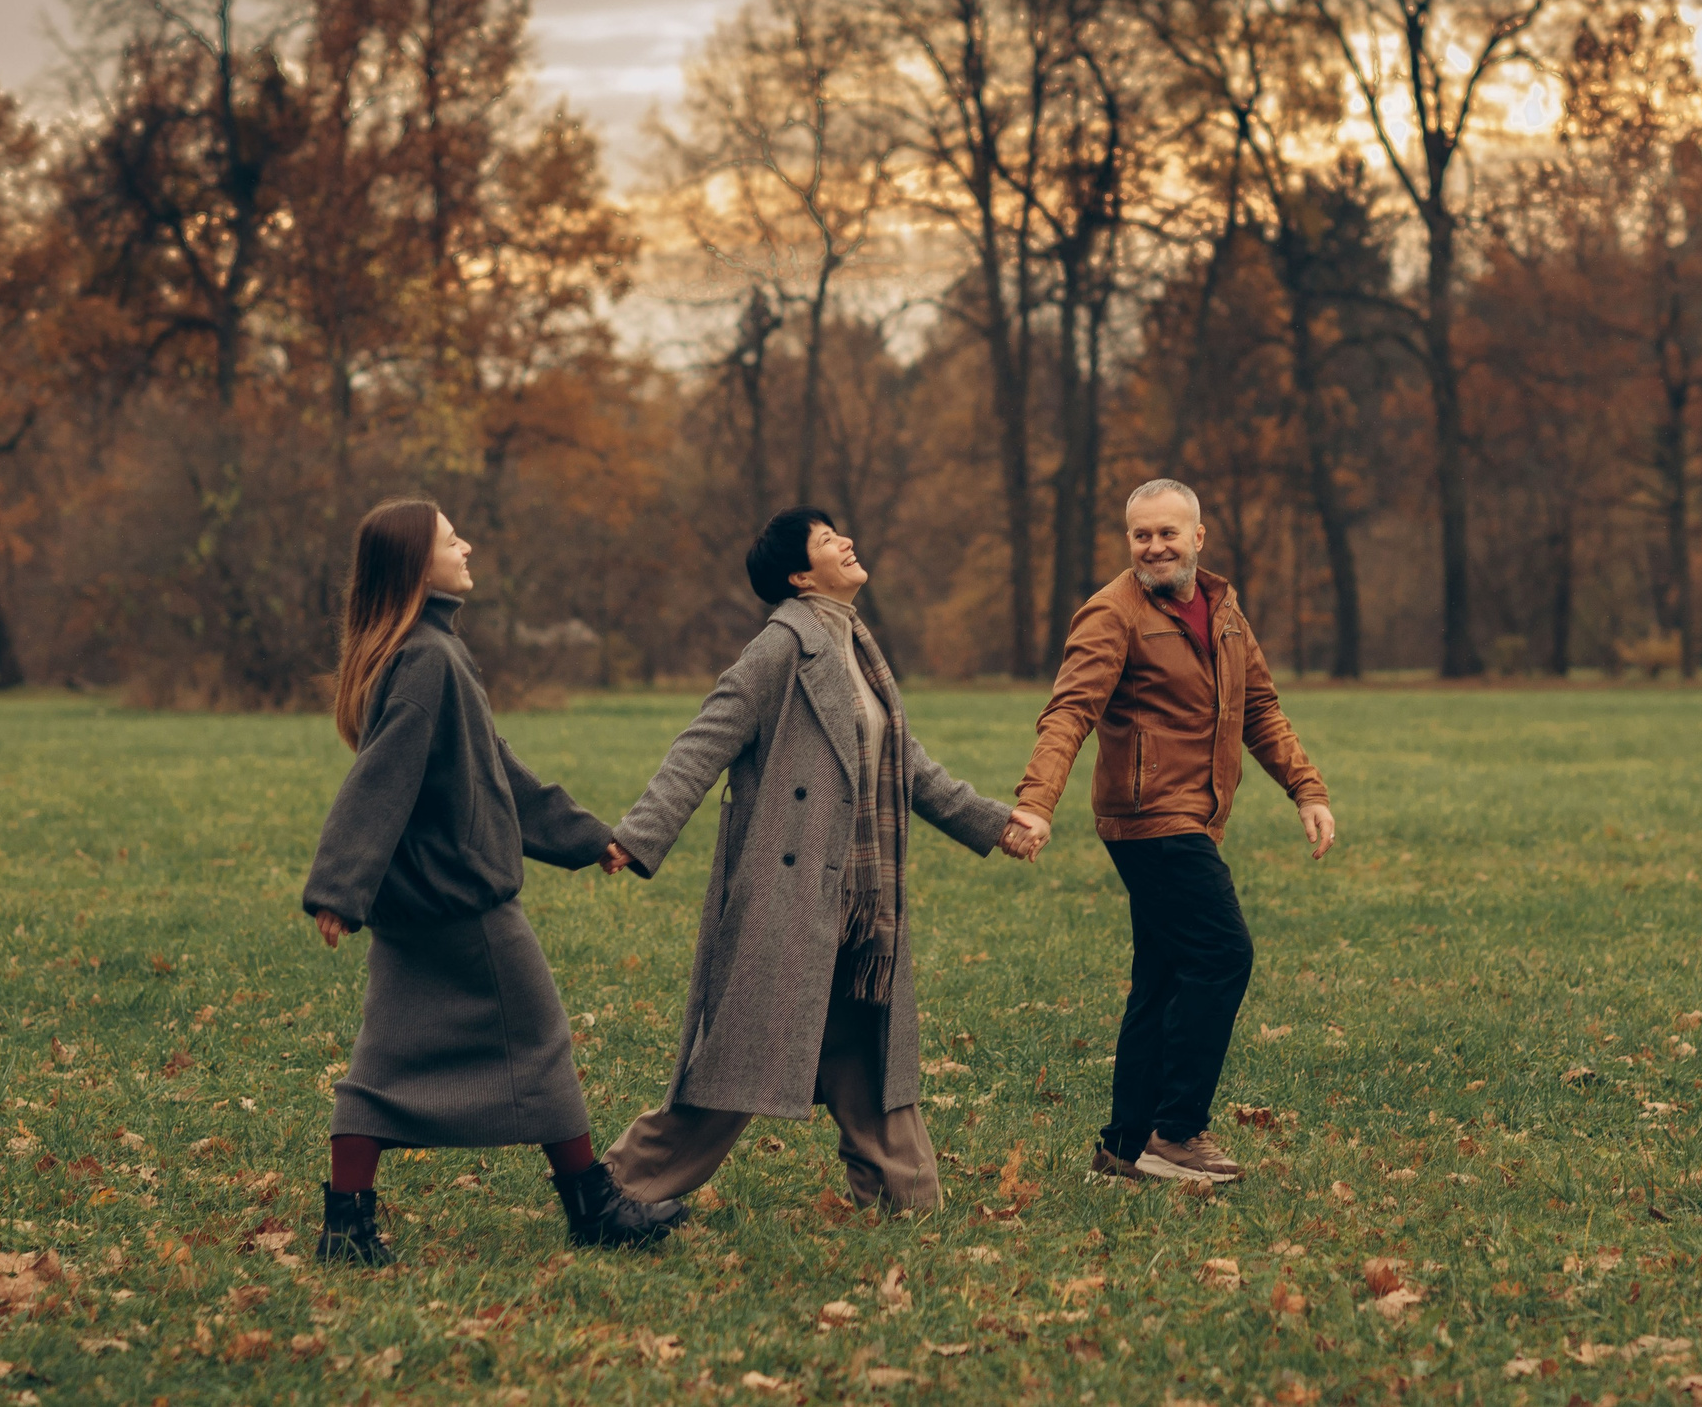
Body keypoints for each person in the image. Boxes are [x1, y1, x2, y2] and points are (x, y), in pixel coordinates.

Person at [600, 508, 1041, 1213]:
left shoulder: (858, 646)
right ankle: (613, 1186)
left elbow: (907, 767)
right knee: (735, 1066)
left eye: (838, 528)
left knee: (867, 1043)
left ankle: (903, 1193)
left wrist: (994, 823)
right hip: (793, 893)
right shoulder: (779, 648)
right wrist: (639, 834)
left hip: (861, 901)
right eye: (824, 536)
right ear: (801, 575)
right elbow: (701, 742)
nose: (844, 538)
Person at [301, 499, 684, 1265]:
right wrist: (338, 885)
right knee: (539, 1037)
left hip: (419, 903)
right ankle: (592, 1205)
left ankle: (346, 1225)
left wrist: (585, 838)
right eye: (451, 539)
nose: (466, 544)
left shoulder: (429, 651)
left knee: (381, 1063)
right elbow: (381, 778)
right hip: (462, 902)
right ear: (418, 563)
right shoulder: (428, 660)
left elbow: (498, 771)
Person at [1009, 479, 1335, 1185]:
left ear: (1197, 536)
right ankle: (1177, 1131)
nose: (1154, 546)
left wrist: (1305, 788)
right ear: (1128, 541)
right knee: (1223, 953)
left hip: (1197, 815)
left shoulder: (1222, 611)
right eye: (1140, 535)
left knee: (1161, 978)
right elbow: (1068, 712)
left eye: (1166, 532)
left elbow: (1261, 710)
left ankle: (1124, 1147)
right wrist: (1037, 802)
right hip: (1148, 818)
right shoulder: (1111, 614)